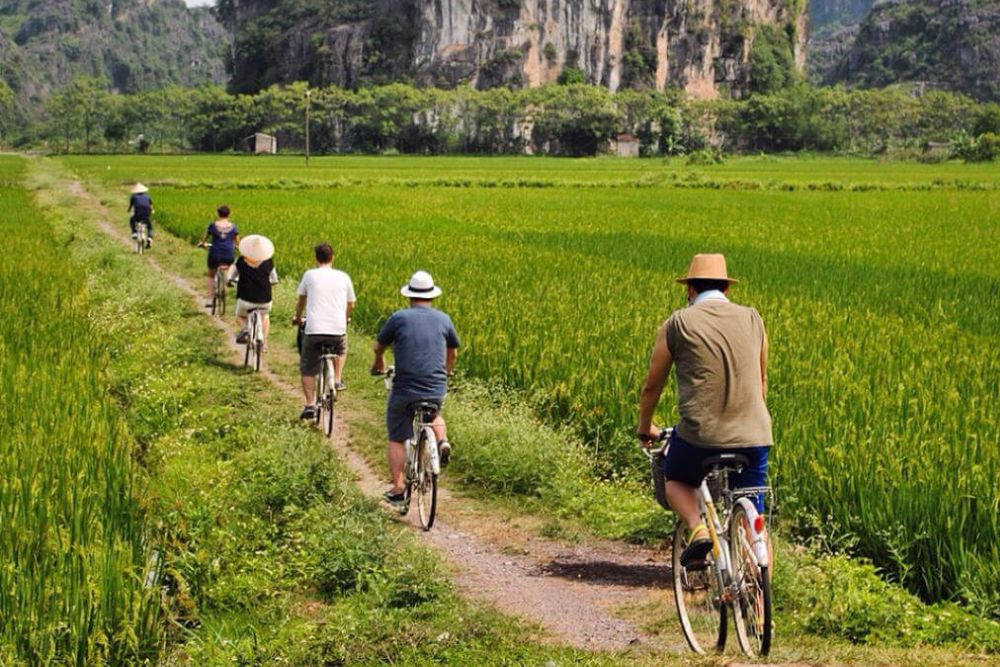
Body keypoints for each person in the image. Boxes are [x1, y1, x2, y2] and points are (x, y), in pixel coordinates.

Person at [636, 253, 772, 568]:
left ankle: (698, 529)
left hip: (700, 435)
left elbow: (652, 387)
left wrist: (645, 427)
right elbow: (762, 380)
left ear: (690, 289)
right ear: (726, 288)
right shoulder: (754, 318)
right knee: (754, 518)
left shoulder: (677, 323)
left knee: (675, 479)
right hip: (755, 435)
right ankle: (760, 591)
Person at [371, 271, 459, 507]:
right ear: (432, 296)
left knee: (397, 436)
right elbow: (453, 353)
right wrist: (447, 372)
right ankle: (442, 441)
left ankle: (399, 488)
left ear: (409, 296)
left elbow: (379, 346)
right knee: (435, 414)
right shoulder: (444, 319)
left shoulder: (399, 318)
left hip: (405, 389)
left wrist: (378, 361)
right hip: (435, 387)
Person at [293, 243, 356, 418]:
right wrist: (345, 318)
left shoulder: (309, 275)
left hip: (314, 330)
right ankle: (337, 379)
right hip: (337, 329)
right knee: (341, 350)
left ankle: (310, 405)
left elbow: (301, 300)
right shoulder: (343, 276)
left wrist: (297, 317)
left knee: (307, 367)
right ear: (332, 257)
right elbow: (351, 303)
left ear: (316, 258)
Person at [228, 235, 278, 349]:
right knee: (265, 316)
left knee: (239, 316)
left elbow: (231, 276)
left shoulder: (240, 261)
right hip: (265, 300)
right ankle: (264, 344)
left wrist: (231, 281)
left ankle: (246, 329)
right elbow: (274, 280)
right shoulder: (269, 262)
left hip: (245, 299)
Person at [198, 206, 239, 308]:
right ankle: (228, 279)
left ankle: (210, 299)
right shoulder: (233, 227)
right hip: (228, 254)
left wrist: (202, 244)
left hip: (215, 253)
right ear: (229, 214)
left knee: (210, 275)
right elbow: (237, 242)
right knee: (229, 266)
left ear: (218, 213)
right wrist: (237, 247)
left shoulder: (212, 225)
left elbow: (204, 239)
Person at [127, 183, 153, 248]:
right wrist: (152, 211)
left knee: (131, 220)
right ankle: (150, 238)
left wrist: (128, 211)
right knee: (150, 227)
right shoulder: (148, 197)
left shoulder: (133, 197)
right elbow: (151, 207)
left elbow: (130, 207)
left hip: (137, 216)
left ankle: (134, 232)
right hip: (146, 216)